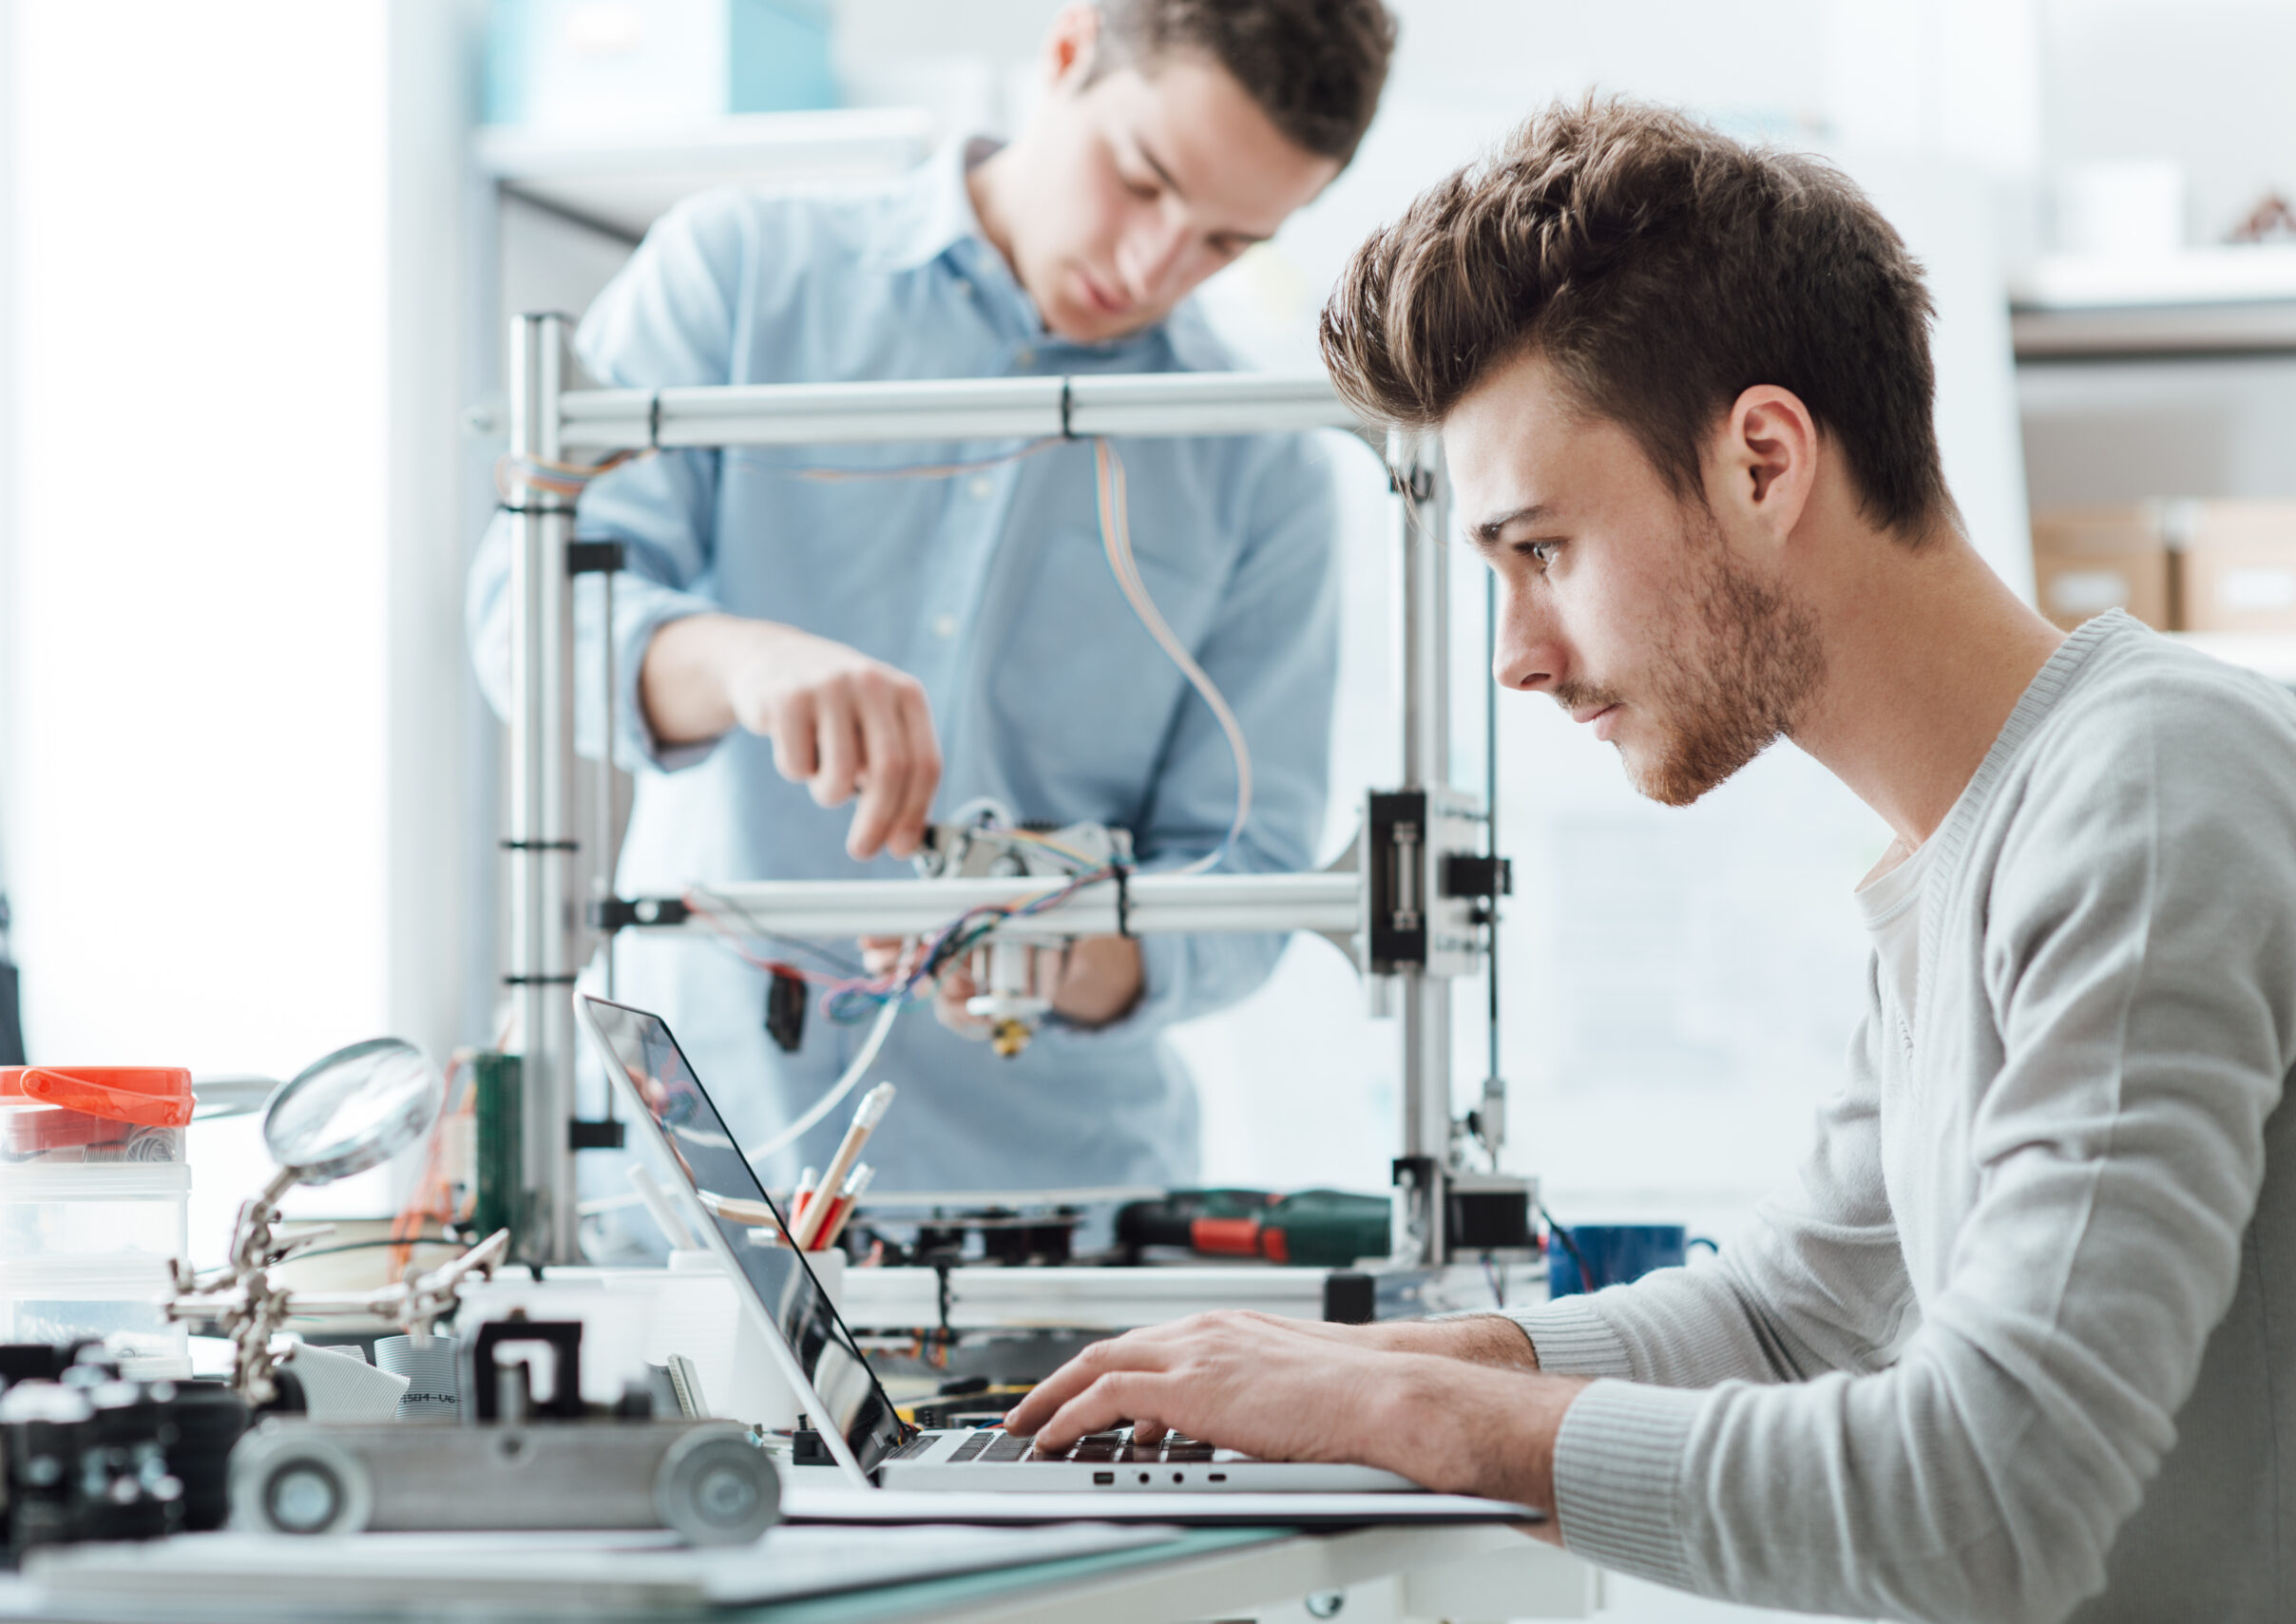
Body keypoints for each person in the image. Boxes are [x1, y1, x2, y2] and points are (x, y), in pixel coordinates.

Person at [1007, 98, 2296, 1624]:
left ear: (1763, 461)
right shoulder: (1969, 836)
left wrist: (1416, 1423)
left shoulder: (2147, 788)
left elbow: (1993, 1501)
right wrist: (1371, 1364)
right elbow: (1794, 1312)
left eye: (1541, 550)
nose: (1518, 658)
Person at [466, 1, 1396, 1200]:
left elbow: (1249, 876)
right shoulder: (739, 274)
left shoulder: (1259, 461)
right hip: (685, 1177)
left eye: (1224, 242)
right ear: (1066, 54)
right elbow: (523, 621)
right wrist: (738, 660)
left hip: (1054, 1227)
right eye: (1142, 180)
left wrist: (1065, 955)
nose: (1152, 265)